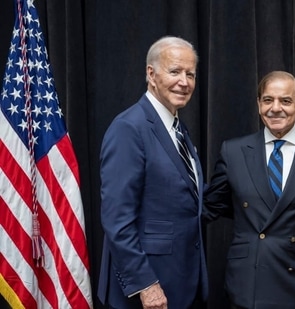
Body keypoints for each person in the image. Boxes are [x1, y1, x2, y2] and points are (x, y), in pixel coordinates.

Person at [203, 71, 295, 309]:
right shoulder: (233, 151)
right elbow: (212, 207)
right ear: (258, 104)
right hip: (249, 281)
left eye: (285, 101)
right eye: (268, 100)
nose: (275, 108)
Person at [97, 36, 208, 309]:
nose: (184, 81)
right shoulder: (129, 128)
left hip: (182, 281)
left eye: (190, 74)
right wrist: (145, 285)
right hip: (147, 290)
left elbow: (186, 198)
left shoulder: (177, 129)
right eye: (175, 71)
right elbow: (117, 220)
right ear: (151, 74)